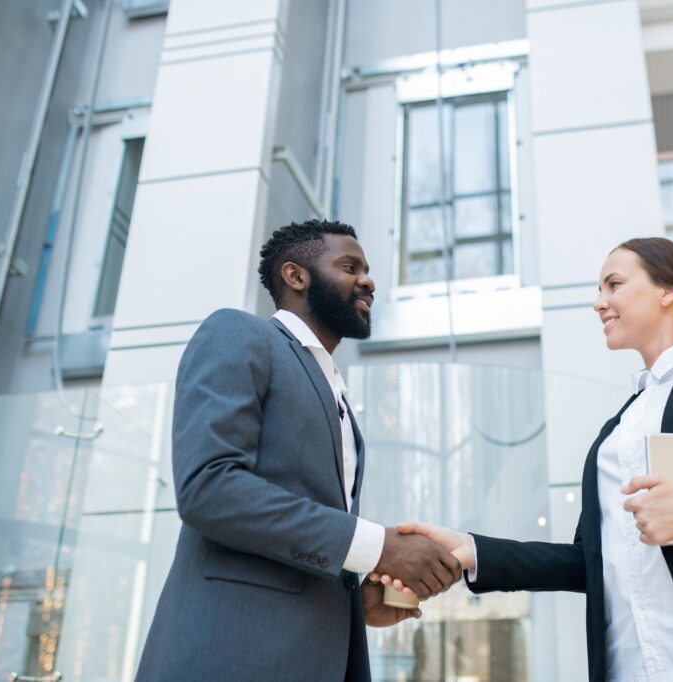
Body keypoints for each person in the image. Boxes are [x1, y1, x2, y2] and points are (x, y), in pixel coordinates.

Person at [384, 237, 673, 681]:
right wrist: (471, 550)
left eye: (614, 284)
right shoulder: (615, 432)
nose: (599, 302)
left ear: (669, 290)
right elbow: (589, 561)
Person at [136, 220, 462, 681]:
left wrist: (357, 596)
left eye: (368, 269)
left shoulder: (338, 395)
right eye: (350, 266)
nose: (369, 280)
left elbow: (304, 536)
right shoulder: (238, 333)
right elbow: (208, 486)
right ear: (296, 276)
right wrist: (377, 546)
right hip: (231, 660)